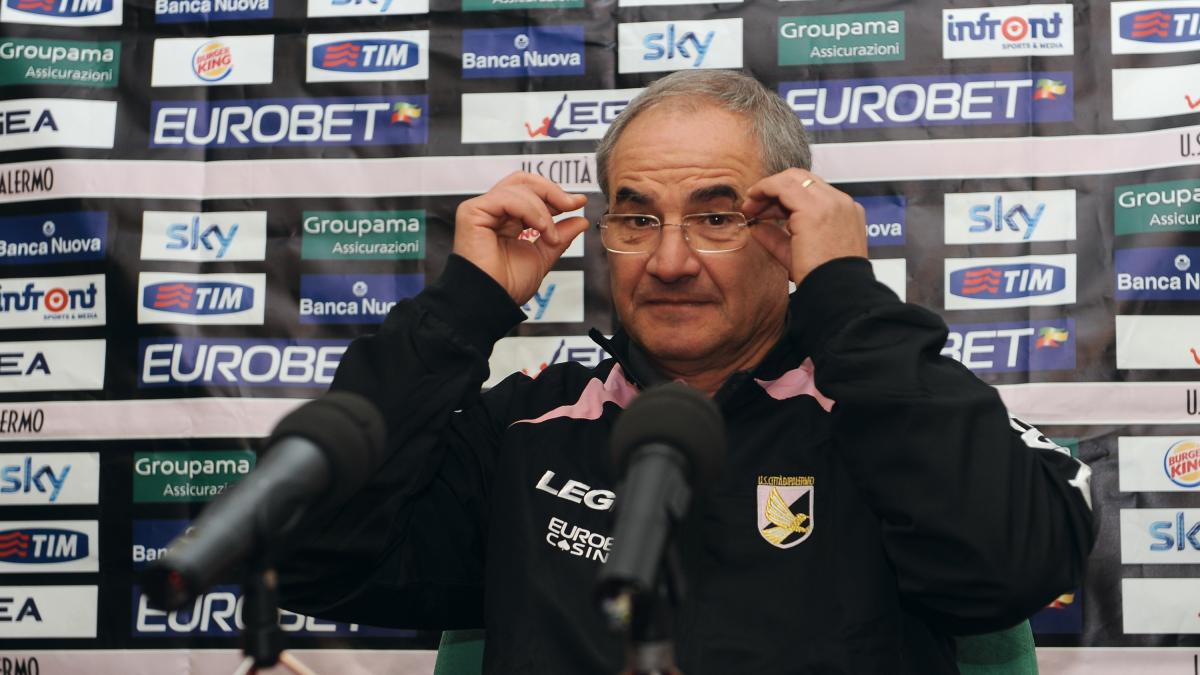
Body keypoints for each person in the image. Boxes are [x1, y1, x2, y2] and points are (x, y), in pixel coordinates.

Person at [277, 70, 1094, 674]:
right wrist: (463, 308)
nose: (669, 261)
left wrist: (846, 295)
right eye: (637, 218)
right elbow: (309, 555)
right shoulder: (530, 425)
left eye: (716, 216)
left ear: (787, 229)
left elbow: (1012, 566)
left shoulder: (889, 409)